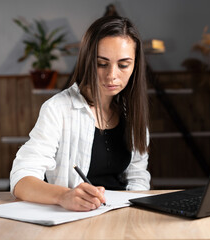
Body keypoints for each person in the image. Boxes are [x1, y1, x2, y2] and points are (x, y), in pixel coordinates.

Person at [10, 15, 151, 212]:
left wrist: (135, 210)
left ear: (135, 65)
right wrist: (63, 196)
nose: (112, 75)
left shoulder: (132, 113)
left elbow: (138, 177)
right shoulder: (57, 109)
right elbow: (21, 179)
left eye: (123, 65)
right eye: (102, 64)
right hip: (73, 218)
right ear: (86, 61)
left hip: (121, 216)